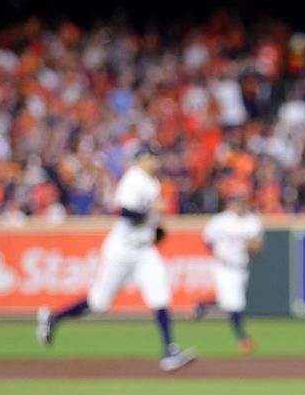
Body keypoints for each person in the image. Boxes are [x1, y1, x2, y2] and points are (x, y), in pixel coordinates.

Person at [36, 147, 196, 372]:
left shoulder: (153, 183)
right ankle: (53, 317)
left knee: (160, 295)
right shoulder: (133, 179)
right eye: (152, 157)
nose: (156, 161)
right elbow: (122, 212)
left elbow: (149, 219)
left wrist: (154, 228)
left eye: (157, 157)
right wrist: (150, 210)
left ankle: (170, 351)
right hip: (121, 251)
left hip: (144, 251)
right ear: (141, 160)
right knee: (99, 303)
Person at [196, 191, 264, 355]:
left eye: (243, 201)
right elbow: (207, 239)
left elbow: (257, 247)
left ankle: (202, 306)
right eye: (237, 201)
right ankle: (243, 339)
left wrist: (253, 248)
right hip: (224, 266)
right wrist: (215, 253)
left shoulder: (253, 221)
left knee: (228, 303)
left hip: (242, 267)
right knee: (235, 304)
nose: (240, 205)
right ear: (230, 203)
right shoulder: (220, 221)